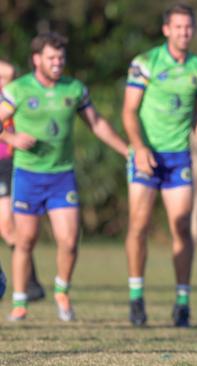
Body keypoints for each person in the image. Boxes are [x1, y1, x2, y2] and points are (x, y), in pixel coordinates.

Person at [0, 32, 128, 321]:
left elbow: (97, 124)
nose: (57, 63)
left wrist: (127, 151)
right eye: (51, 58)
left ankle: (62, 290)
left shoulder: (74, 89)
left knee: (69, 240)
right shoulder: (18, 90)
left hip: (61, 177)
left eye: (61, 57)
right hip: (28, 176)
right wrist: (12, 136)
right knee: (25, 240)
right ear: (36, 60)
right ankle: (20, 302)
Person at [122, 4, 197, 327]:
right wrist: (139, 147)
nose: (184, 32)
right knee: (139, 225)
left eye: (188, 27)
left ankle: (182, 302)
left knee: (181, 226)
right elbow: (129, 111)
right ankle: (136, 299)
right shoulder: (145, 63)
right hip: (147, 156)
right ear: (166, 30)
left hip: (178, 158)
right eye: (178, 27)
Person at [0, 59, 45, 302]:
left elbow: (8, 71)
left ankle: (30, 283)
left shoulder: (9, 91)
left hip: (3, 161)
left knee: (7, 226)